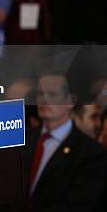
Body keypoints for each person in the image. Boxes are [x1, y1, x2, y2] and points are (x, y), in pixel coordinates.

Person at [25, 73, 107, 211]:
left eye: (52, 94)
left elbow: (80, 203)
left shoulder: (91, 153)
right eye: (40, 94)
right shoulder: (24, 140)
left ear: (70, 101)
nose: (44, 100)